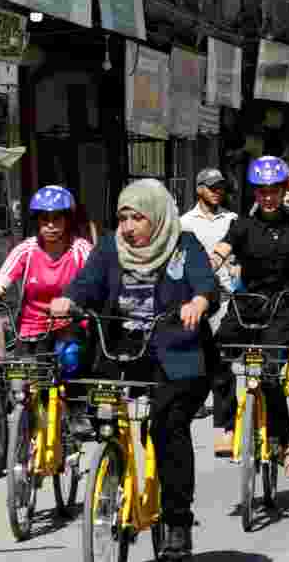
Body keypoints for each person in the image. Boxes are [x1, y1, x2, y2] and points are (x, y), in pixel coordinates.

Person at [51, 179, 217, 558]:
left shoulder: (182, 245)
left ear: (156, 217)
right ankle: (111, 468)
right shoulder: (109, 247)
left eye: (137, 218)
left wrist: (199, 302)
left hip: (176, 352)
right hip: (121, 347)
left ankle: (177, 522)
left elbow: (205, 285)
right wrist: (69, 299)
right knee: (100, 408)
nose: (127, 226)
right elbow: (86, 284)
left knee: (167, 426)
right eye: (122, 217)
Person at [210, 157, 289, 479]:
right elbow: (220, 252)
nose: (267, 196)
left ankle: (286, 444)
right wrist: (203, 272)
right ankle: (226, 424)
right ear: (253, 193)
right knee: (217, 355)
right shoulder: (242, 225)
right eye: (261, 191)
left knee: (269, 373)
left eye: (273, 190)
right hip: (247, 304)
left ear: (283, 189)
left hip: (284, 305)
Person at [0, 186, 94, 354]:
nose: (50, 225)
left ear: (67, 220)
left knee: (69, 360)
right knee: (19, 378)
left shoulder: (81, 249)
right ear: (37, 220)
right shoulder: (26, 250)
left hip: (70, 327)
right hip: (30, 329)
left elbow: (96, 282)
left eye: (57, 218)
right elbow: (0, 283)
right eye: (44, 219)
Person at [180, 168, 239, 453]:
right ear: (199, 188)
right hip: (195, 300)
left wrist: (237, 268)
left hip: (226, 299)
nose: (217, 191)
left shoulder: (232, 221)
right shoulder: (183, 223)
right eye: (212, 186)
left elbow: (243, 256)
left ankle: (224, 428)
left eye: (221, 187)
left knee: (223, 363)